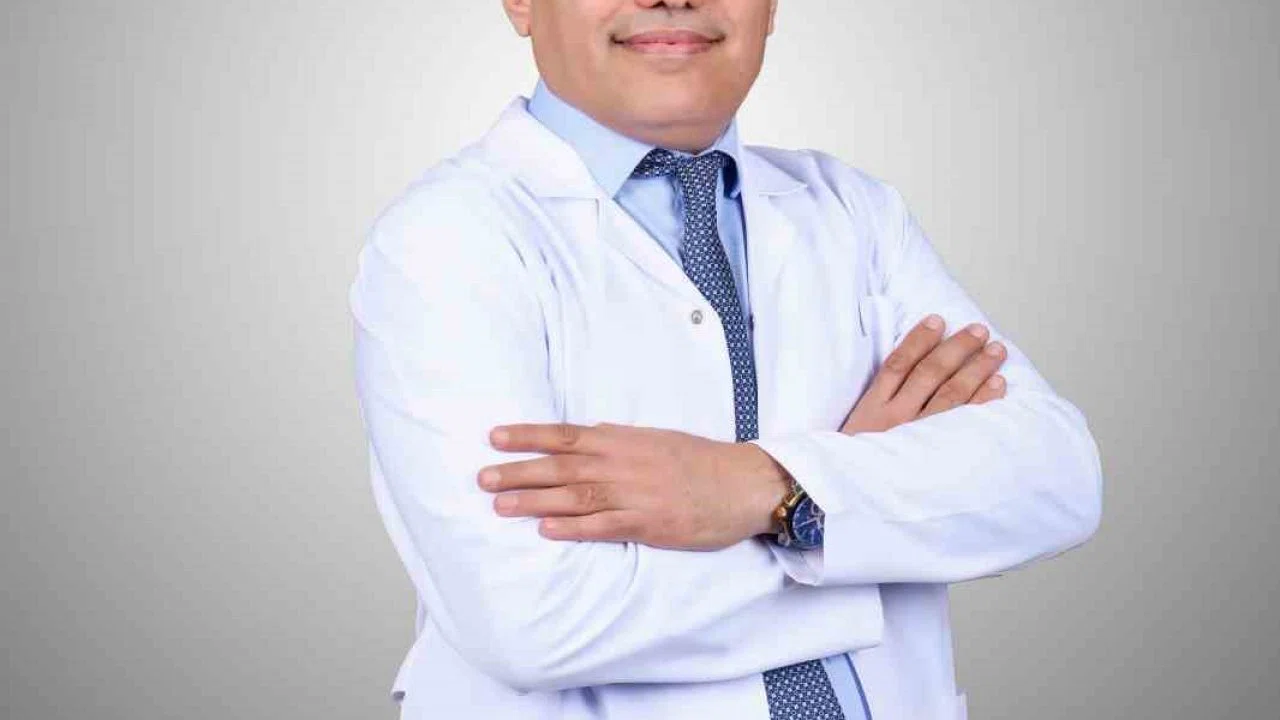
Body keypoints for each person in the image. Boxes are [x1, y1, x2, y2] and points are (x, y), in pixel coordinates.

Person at [348, 1, 1104, 718]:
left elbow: (1055, 476)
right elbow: (533, 619)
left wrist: (765, 487)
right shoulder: (446, 240)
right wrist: (851, 529)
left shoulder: (856, 211)